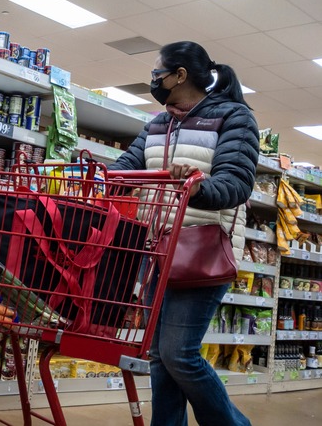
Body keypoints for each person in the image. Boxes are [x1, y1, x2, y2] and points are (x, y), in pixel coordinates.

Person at [109, 41, 258, 426]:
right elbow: (129, 164)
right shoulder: (158, 123)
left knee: (179, 354)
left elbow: (237, 183)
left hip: (201, 249)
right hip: (156, 248)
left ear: (180, 75)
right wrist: (102, 176)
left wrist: (198, 187)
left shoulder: (233, 117)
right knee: (160, 355)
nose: (153, 81)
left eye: (157, 73)